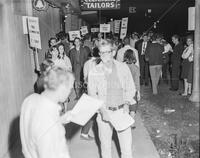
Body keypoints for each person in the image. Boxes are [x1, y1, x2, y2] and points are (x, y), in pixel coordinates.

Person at [88, 39, 136, 158]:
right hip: (104, 113)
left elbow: (131, 88)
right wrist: (102, 111)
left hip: (122, 111)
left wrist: (126, 103)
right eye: (101, 52)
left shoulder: (123, 67)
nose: (103, 55)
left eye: (107, 52)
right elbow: (92, 95)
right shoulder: (94, 71)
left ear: (113, 52)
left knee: (127, 150)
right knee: (106, 149)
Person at [20, 66, 75, 158]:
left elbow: (37, 128)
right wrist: (56, 125)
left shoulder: (30, 100)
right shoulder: (48, 124)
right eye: (70, 88)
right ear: (62, 88)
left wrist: (60, 120)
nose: (70, 92)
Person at [80, 50, 100, 140]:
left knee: (92, 111)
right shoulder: (97, 63)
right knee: (93, 112)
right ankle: (84, 133)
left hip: (87, 87)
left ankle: (85, 132)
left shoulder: (86, 63)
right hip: (95, 89)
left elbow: (84, 76)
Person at [123, 49, 141, 119]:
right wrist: (138, 92)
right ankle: (132, 123)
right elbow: (137, 81)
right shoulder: (136, 68)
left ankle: (126, 121)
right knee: (133, 108)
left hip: (124, 89)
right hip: (133, 90)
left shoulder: (122, 66)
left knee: (126, 106)